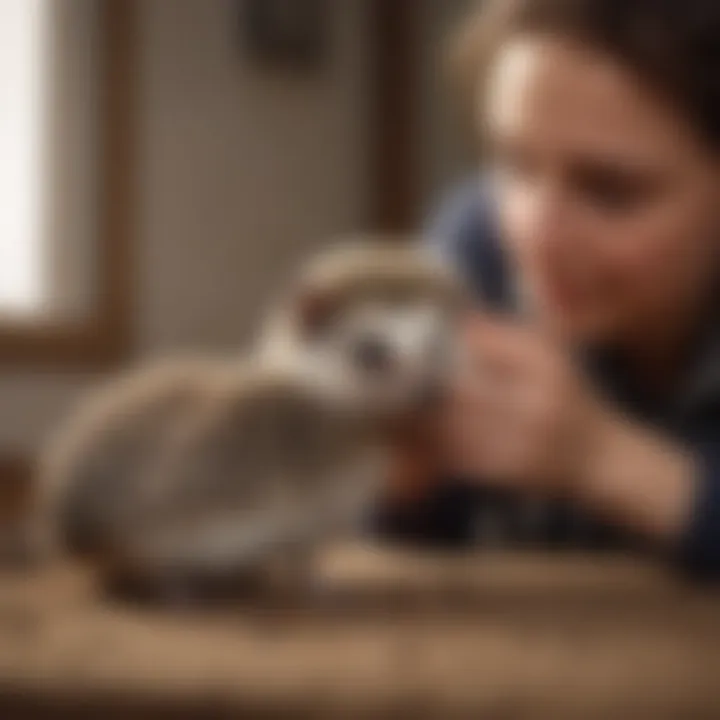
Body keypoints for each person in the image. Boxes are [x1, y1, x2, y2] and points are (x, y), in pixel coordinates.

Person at [374, 0, 720, 579]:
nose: (537, 236)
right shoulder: (473, 255)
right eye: (514, 164)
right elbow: (399, 552)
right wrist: (399, 484)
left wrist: (603, 459)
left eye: (611, 192)